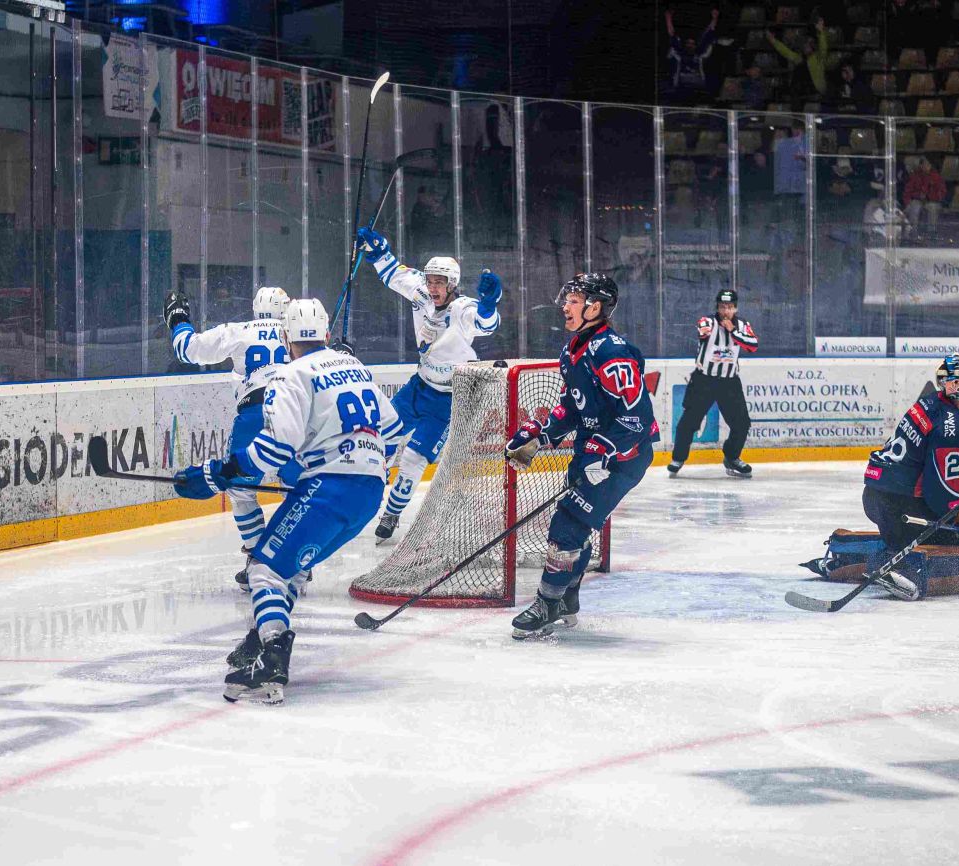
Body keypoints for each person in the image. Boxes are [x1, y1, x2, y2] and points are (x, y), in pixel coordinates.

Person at [172, 298, 404, 704]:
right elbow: (396, 428)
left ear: (285, 338)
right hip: (369, 493)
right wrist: (364, 462)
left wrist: (215, 473)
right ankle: (259, 635)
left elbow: (274, 451)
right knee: (292, 570)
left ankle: (274, 656)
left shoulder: (290, 375)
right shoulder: (356, 367)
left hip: (329, 488)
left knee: (263, 570)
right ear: (326, 334)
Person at [503, 274, 659, 639]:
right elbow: (572, 407)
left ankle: (548, 602)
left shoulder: (612, 352)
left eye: (574, 300)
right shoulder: (572, 350)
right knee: (578, 526)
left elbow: (638, 419)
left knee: (568, 525)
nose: (565, 306)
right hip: (590, 451)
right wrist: (541, 433)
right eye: (567, 299)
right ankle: (567, 599)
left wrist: (602, 449)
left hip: (622, 457)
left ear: (595, 306)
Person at [355, 227, 502, 543]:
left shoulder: (463, 309)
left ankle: (392, 513)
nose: (433, 287)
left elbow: (485, 325)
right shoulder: (420, 291)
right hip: (418, 388)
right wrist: (377, 249)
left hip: (448, 401)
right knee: (381, 435)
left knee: (413, 460)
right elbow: (393, 273)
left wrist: (490, 305)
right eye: (431, 280)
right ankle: (372, 484)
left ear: (452, 284)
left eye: (440, 282)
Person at [849, 353, 959, 600]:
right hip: (901, 510)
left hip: (873, 497)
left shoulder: (928, 403)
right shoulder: (955, 427)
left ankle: (852, 556)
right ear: (954, 384)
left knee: (905, 530)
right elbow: (941, 494)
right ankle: (898, 567)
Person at [165, 285, 291, 589]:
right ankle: (294, 557)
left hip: (253, 413)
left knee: (241, 489)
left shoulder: (240, 331)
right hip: (293, 411)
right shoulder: (295, 333)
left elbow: (188, 349)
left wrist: (178, 318)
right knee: (298, 487)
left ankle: (257, 560)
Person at [668, 288, 757, 478]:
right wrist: (712, 331)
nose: (726, 311)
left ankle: (732, 457)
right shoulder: (707, 321)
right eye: (722, 307)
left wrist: (732, 331)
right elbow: (702, 333)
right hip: (704, 380)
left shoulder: (743, 325)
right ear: (717, 307)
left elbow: (752, 346)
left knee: (742, 423)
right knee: (688, 422)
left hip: (729, 382)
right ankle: (678, 459)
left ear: (735, 308)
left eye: (730, 307)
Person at [665, 8, 719, 104]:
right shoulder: (680, 53)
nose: (690, 45)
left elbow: (708, 33)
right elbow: (672, 35)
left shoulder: (699, 54)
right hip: (681, 86)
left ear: (695, 45)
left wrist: (714, 18)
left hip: (698, 87)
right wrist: (668, 19)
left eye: (692, 43)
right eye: (688, 43)